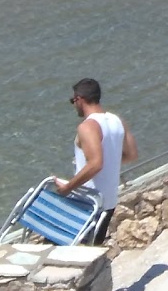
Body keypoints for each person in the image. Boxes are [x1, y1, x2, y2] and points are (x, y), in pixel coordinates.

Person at [55, 79, 138, 244]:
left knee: (60, 248)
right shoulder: (117, 121)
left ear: (79, 99)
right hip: (108, 202)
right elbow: (131, 154)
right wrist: (111, 163)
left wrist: (67, 188)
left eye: (73, 101)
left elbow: (95, 164)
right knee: (92, 251)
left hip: (88, 204)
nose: (74, 105)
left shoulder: (87, 127)